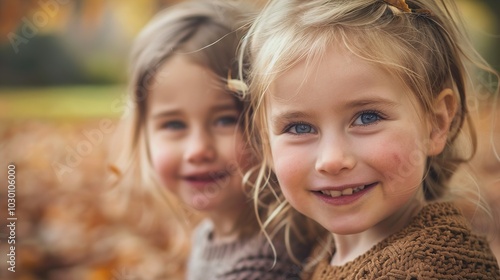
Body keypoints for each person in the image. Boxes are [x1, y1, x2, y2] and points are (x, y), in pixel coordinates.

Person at [239, 0, 500, 278]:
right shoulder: (322, 253)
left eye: (367, 117)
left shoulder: (432, 267)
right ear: (265, 141)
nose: (332, 160)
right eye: (300, 128)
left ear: (436, 124)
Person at [109, 0, 312, 279]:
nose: (198, 150)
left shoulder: (265, 264)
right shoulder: (211, 234)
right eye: (174, 124)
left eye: (225, 120)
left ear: (266, 122)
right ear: (143, 132)